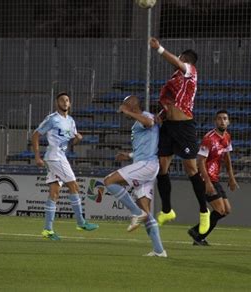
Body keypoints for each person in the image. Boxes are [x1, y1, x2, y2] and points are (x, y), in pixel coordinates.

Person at [149, 37, 210, 234]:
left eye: (180, 58)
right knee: (162, 168)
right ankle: (167, 210)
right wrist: (160, 116)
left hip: (184, 126)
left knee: (191, 169)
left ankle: (203, 212)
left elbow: (175, 61)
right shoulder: (175, 78)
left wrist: (159, 49)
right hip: (168, 125)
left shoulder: (190, 71)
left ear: (185, 59)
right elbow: (168, 103)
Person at [103, 95, 167, 257]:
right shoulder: (139, 121)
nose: (122, 109)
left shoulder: (147, 117)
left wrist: (128, 112)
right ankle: (159, 250)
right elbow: (145, 146)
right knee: (146, 211)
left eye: (124, 104)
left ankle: (135, 212)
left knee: (109, 181)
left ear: (132, 104)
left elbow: (149, 122)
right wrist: (129, 155)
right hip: (145, 164)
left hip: (147, 164)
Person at [33, 92, 98, 240]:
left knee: (54, 192)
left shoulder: (71, 121)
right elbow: (36, 135)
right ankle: (81, 222)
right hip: (55, 157)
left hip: (61, 157)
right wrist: (37, 156)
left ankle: (47, 230)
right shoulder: (52, 119)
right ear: (57, 104)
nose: (64, 102)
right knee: (74, 186)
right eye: (61, 100)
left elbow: (72, 142)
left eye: (67, 100)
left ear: (70, 103)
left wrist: (77, 139)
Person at [188, 110, 239, 245]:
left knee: (226, 210)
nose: (222, 121)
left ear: (229, 122)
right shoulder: (209, 138)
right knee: (220, 210)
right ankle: (198, 235)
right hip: (205, 178)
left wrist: (231, 178)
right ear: (215, 121)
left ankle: (197, 233)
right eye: (220, 119)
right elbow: (200, 161)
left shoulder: (227, 137)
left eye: (225, 118)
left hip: (214, 178)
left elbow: (227, 157)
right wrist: (208, 183)